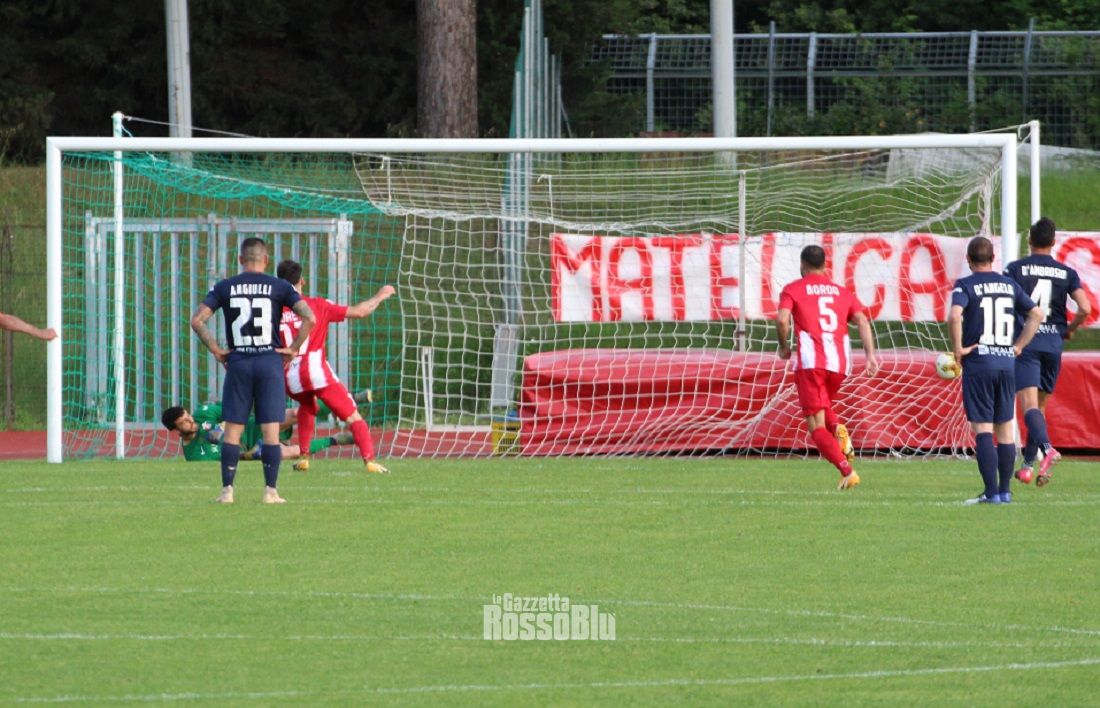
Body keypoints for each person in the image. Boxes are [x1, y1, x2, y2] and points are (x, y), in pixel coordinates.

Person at [190, 237, 315, 504]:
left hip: (239, 362)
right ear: (266, 260)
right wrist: (293, 348)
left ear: (240, 259)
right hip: (269, 362)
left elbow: (197, 320)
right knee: (270, 431)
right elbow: (309, 317)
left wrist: (216, 349)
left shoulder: (225, 286)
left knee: (232, 431)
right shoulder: (279, 286)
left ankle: (227, 491)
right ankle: (270, 491)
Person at [275, 259, 395, 474]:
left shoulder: (273, 311)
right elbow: (360, 312)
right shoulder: (318, 305)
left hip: (290, 378)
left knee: (307, 407)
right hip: (315, 372)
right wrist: (381, 295)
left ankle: (304, 457)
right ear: (302, 281)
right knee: (353, 417)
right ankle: (369, 461)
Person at [776, 245, 879, 490]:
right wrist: (870, 356)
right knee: (823, 407)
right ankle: (838, 429)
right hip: (840, 365)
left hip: (812, 364)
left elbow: (782, 319)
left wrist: (783, 346)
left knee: (816, 427)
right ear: (825, 265)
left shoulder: (793, 289)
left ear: (802, 265)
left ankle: (847, 471)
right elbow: (862, 320)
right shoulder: (842, 292)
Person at [949, 236, 1042, 505]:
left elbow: (955, 315)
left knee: (983, 429)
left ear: (969, 259)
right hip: (1006, 363)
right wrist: (1019, 346)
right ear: (993, 259)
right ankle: (1005, 492)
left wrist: (958, 349)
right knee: (1005, 430)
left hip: (979, 363)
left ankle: (990, 493)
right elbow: (1036, 313)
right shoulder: (1009, 284)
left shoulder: (965, 285)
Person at [1003, 217, 1091, 487]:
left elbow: (1004, 301)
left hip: (1027, 343)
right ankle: (1028, 467)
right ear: (1053, 242)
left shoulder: (1015, 269)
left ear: (1029, 240)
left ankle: (1048, 448)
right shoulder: (1066, 273)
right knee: (1039, 409)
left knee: (1029, 407)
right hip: (1053, 345)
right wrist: (1069, 329)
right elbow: (1085, 308)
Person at [161, 403, 354, 462]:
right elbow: (230, 457)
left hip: (255, 425)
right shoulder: (194, 455)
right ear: (175, 430)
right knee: (289, 453)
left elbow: (236, 410)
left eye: (187, 416)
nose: (190, 421)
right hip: (252, 448)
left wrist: (225, 426)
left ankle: (345, 402)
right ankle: (336, 439)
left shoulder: (203, 414)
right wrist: (249, 454)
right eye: (183, 422)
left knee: (296, 413)